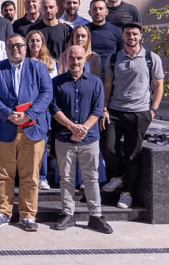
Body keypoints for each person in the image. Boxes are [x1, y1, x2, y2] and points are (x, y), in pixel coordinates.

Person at [0, 33, 52, 231]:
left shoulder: (39, 68)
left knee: (30, 175)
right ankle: (3, 212)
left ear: (26, 47)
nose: (15, 48)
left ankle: (28, 215)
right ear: (6, 48)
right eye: (11, 45)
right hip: (3, 127)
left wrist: (29, 114)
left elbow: (47, 93)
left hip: (32, 128)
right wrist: (7, 114)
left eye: (19, 45)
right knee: (2, 174)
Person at [50, 46, 113, 234]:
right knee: (66, 178)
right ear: (66, 58)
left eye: (79, 58)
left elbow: (97, 109)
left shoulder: (95, 82)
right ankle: (67, 214)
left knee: (91, 178)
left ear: (85, 59)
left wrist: (83, 128)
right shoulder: (57, 82)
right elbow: (54, 108)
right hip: (64, 137)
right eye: (72, 58)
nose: (75, 62)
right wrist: (72, 127)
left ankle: (96, 216)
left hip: (90, 138)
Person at [101, 22, 164, 209]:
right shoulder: (113, 58)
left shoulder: (151, 58)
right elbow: (107, 85)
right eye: (128, 33)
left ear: (141, 36)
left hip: (139, 112)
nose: (132, 37)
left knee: (132, 155)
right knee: (109, 148)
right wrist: (105, 108)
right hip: (115, 111)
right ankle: (118, 177)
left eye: (135, 34)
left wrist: (153, 110)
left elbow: (158, 85)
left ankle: (127, 193)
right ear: (122, 36)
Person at [26, 30, 57, 190]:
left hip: (44, 109)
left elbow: (52, 88)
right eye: (32, 41)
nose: (35, 44)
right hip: (27, 109)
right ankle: (27, 176)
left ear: (42, 42)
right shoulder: (22, 62)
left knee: (42, 144)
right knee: (26, 144)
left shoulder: (50, 62)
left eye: (38, 41)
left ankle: (42, 177)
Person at [87, 0, 124, 73]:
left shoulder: (117, 31)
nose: (98, 12)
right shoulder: (84, 32)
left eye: (101, 9)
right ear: (89, 12)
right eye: (94, 9)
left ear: (107, 12)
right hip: (88, 76)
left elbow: (123, 55)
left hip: (111, 76)